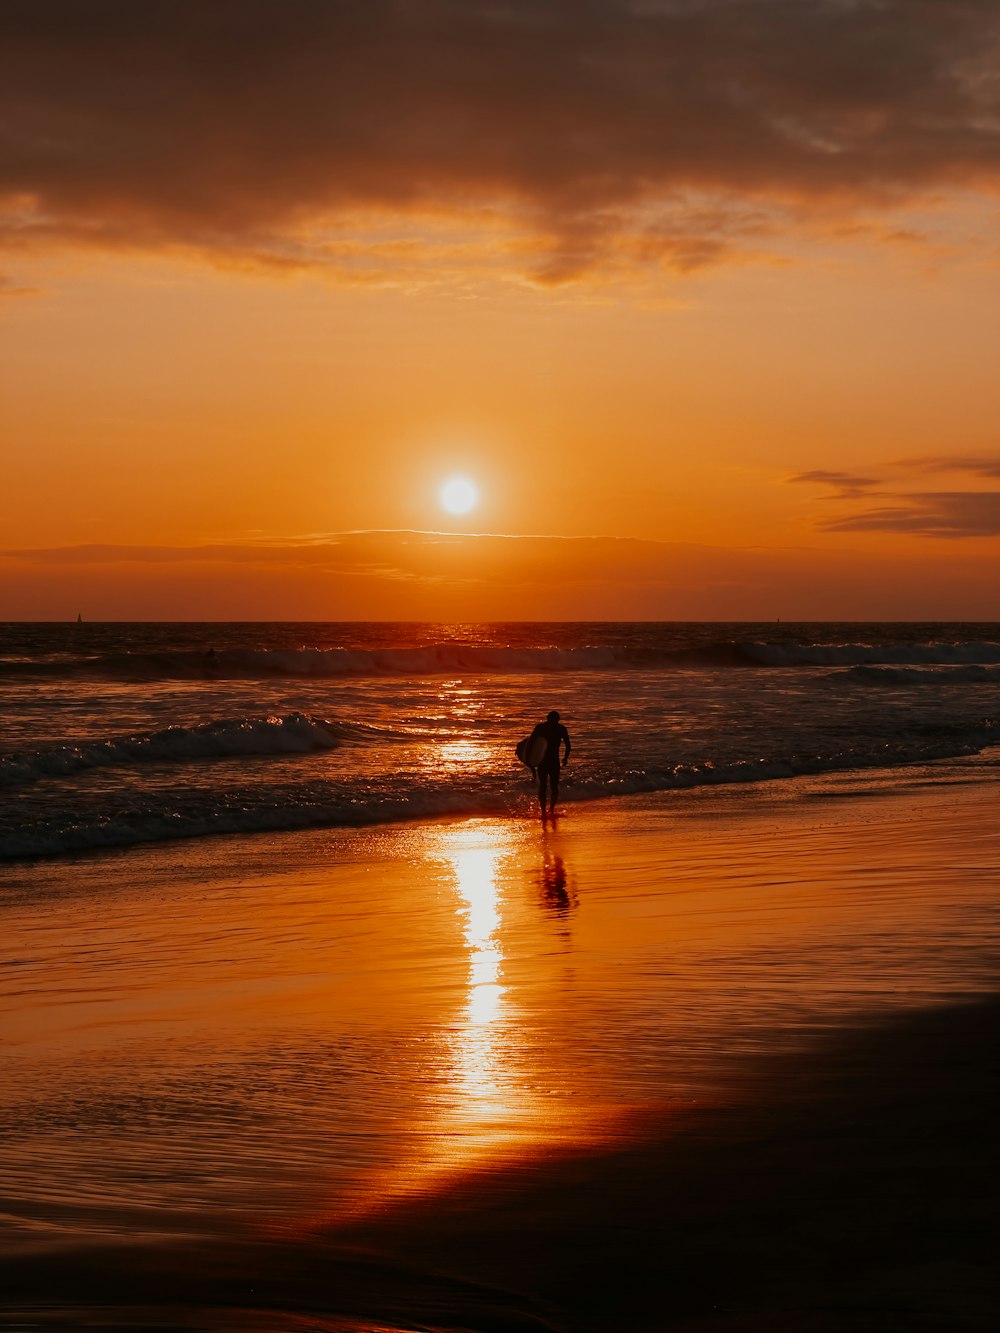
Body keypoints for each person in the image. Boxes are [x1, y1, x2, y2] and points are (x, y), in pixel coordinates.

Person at [530, 709, 571, 817]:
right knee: (549, 786)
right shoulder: (559, 728)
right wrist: (565, 758)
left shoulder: (542, 728)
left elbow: (530, 743)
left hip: (545, 761)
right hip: (548, 761)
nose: (553, 722)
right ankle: (546, 811)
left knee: (549, 786)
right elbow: (568, 745)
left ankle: (549, 811)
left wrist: (566, 757)